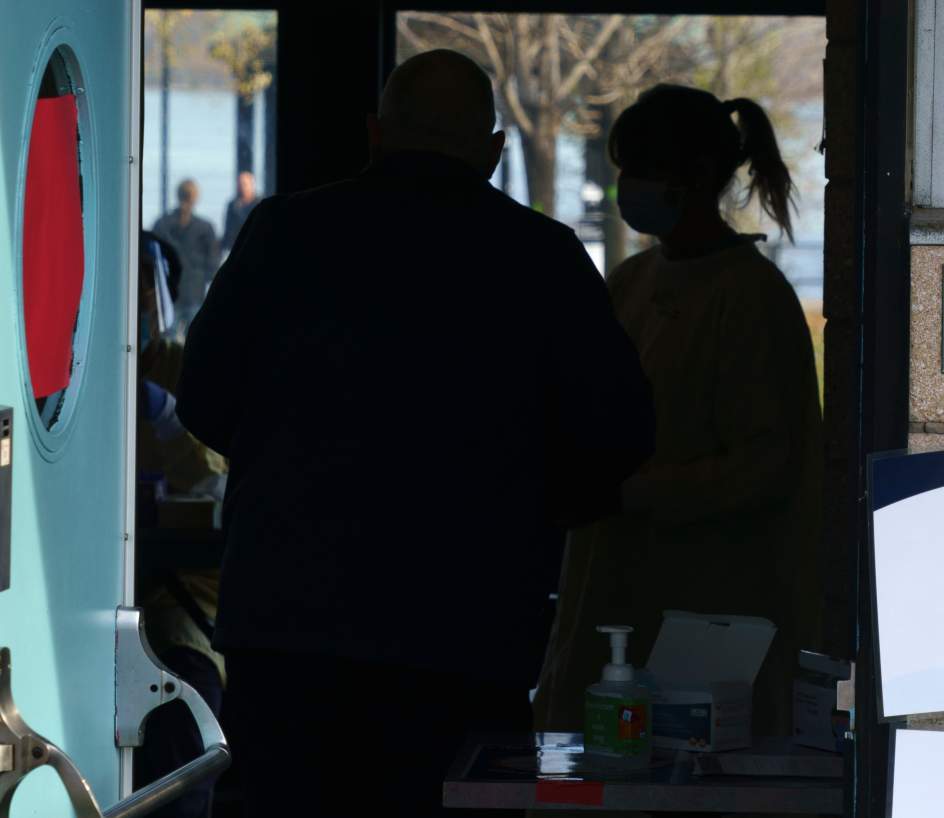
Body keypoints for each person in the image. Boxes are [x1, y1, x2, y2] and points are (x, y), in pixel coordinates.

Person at [175, 49, 655, 817]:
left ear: (375, 133)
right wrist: (529, 507)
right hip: (469, 630)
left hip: (288, 624)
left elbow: (202, 399)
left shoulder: (284, 233)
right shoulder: (542, 258)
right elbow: (619, 433)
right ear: (494, 150)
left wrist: (287, 466)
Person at [533, 85, 825, 740]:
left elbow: (765, 463)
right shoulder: (631, 282)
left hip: (709, 605)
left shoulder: (751, 297)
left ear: (694, 177)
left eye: (642, 168)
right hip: (614, 580)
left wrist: (631, 492)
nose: (628, 186)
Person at [133, 232, 227, 818]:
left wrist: (165, 418)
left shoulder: (179, 368)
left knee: (180, 713)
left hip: (179, 611)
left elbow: (216, 482)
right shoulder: (61, 382)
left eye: (147, 281)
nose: (138, 295)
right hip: (81, 605)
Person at [153, 180, 220, 336]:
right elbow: (213, 262)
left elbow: (153, 259)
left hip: (170, 293)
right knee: (197, 343)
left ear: (177, 195)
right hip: (195, 291)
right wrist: (204, 276)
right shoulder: (205, 227)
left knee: (167, 345)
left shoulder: (162, 224)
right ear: (196, 198)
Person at [222, 171, 260, 254]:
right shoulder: (232, 205)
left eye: (244, 184)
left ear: (252, 185)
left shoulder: (260, 203)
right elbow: (227, 227)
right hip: (235, 247)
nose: (241, 187)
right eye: (239, 184)